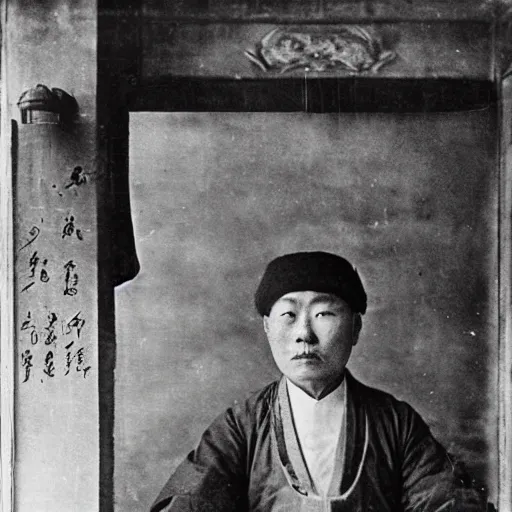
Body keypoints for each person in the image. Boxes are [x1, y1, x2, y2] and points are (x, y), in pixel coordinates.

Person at [151, 251, 488, 512]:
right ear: (267, 327)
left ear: (355, 327)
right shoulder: (242, 426)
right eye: (288, 315)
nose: (305, 334)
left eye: (324, 314)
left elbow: (446, 502)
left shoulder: (395, 424)